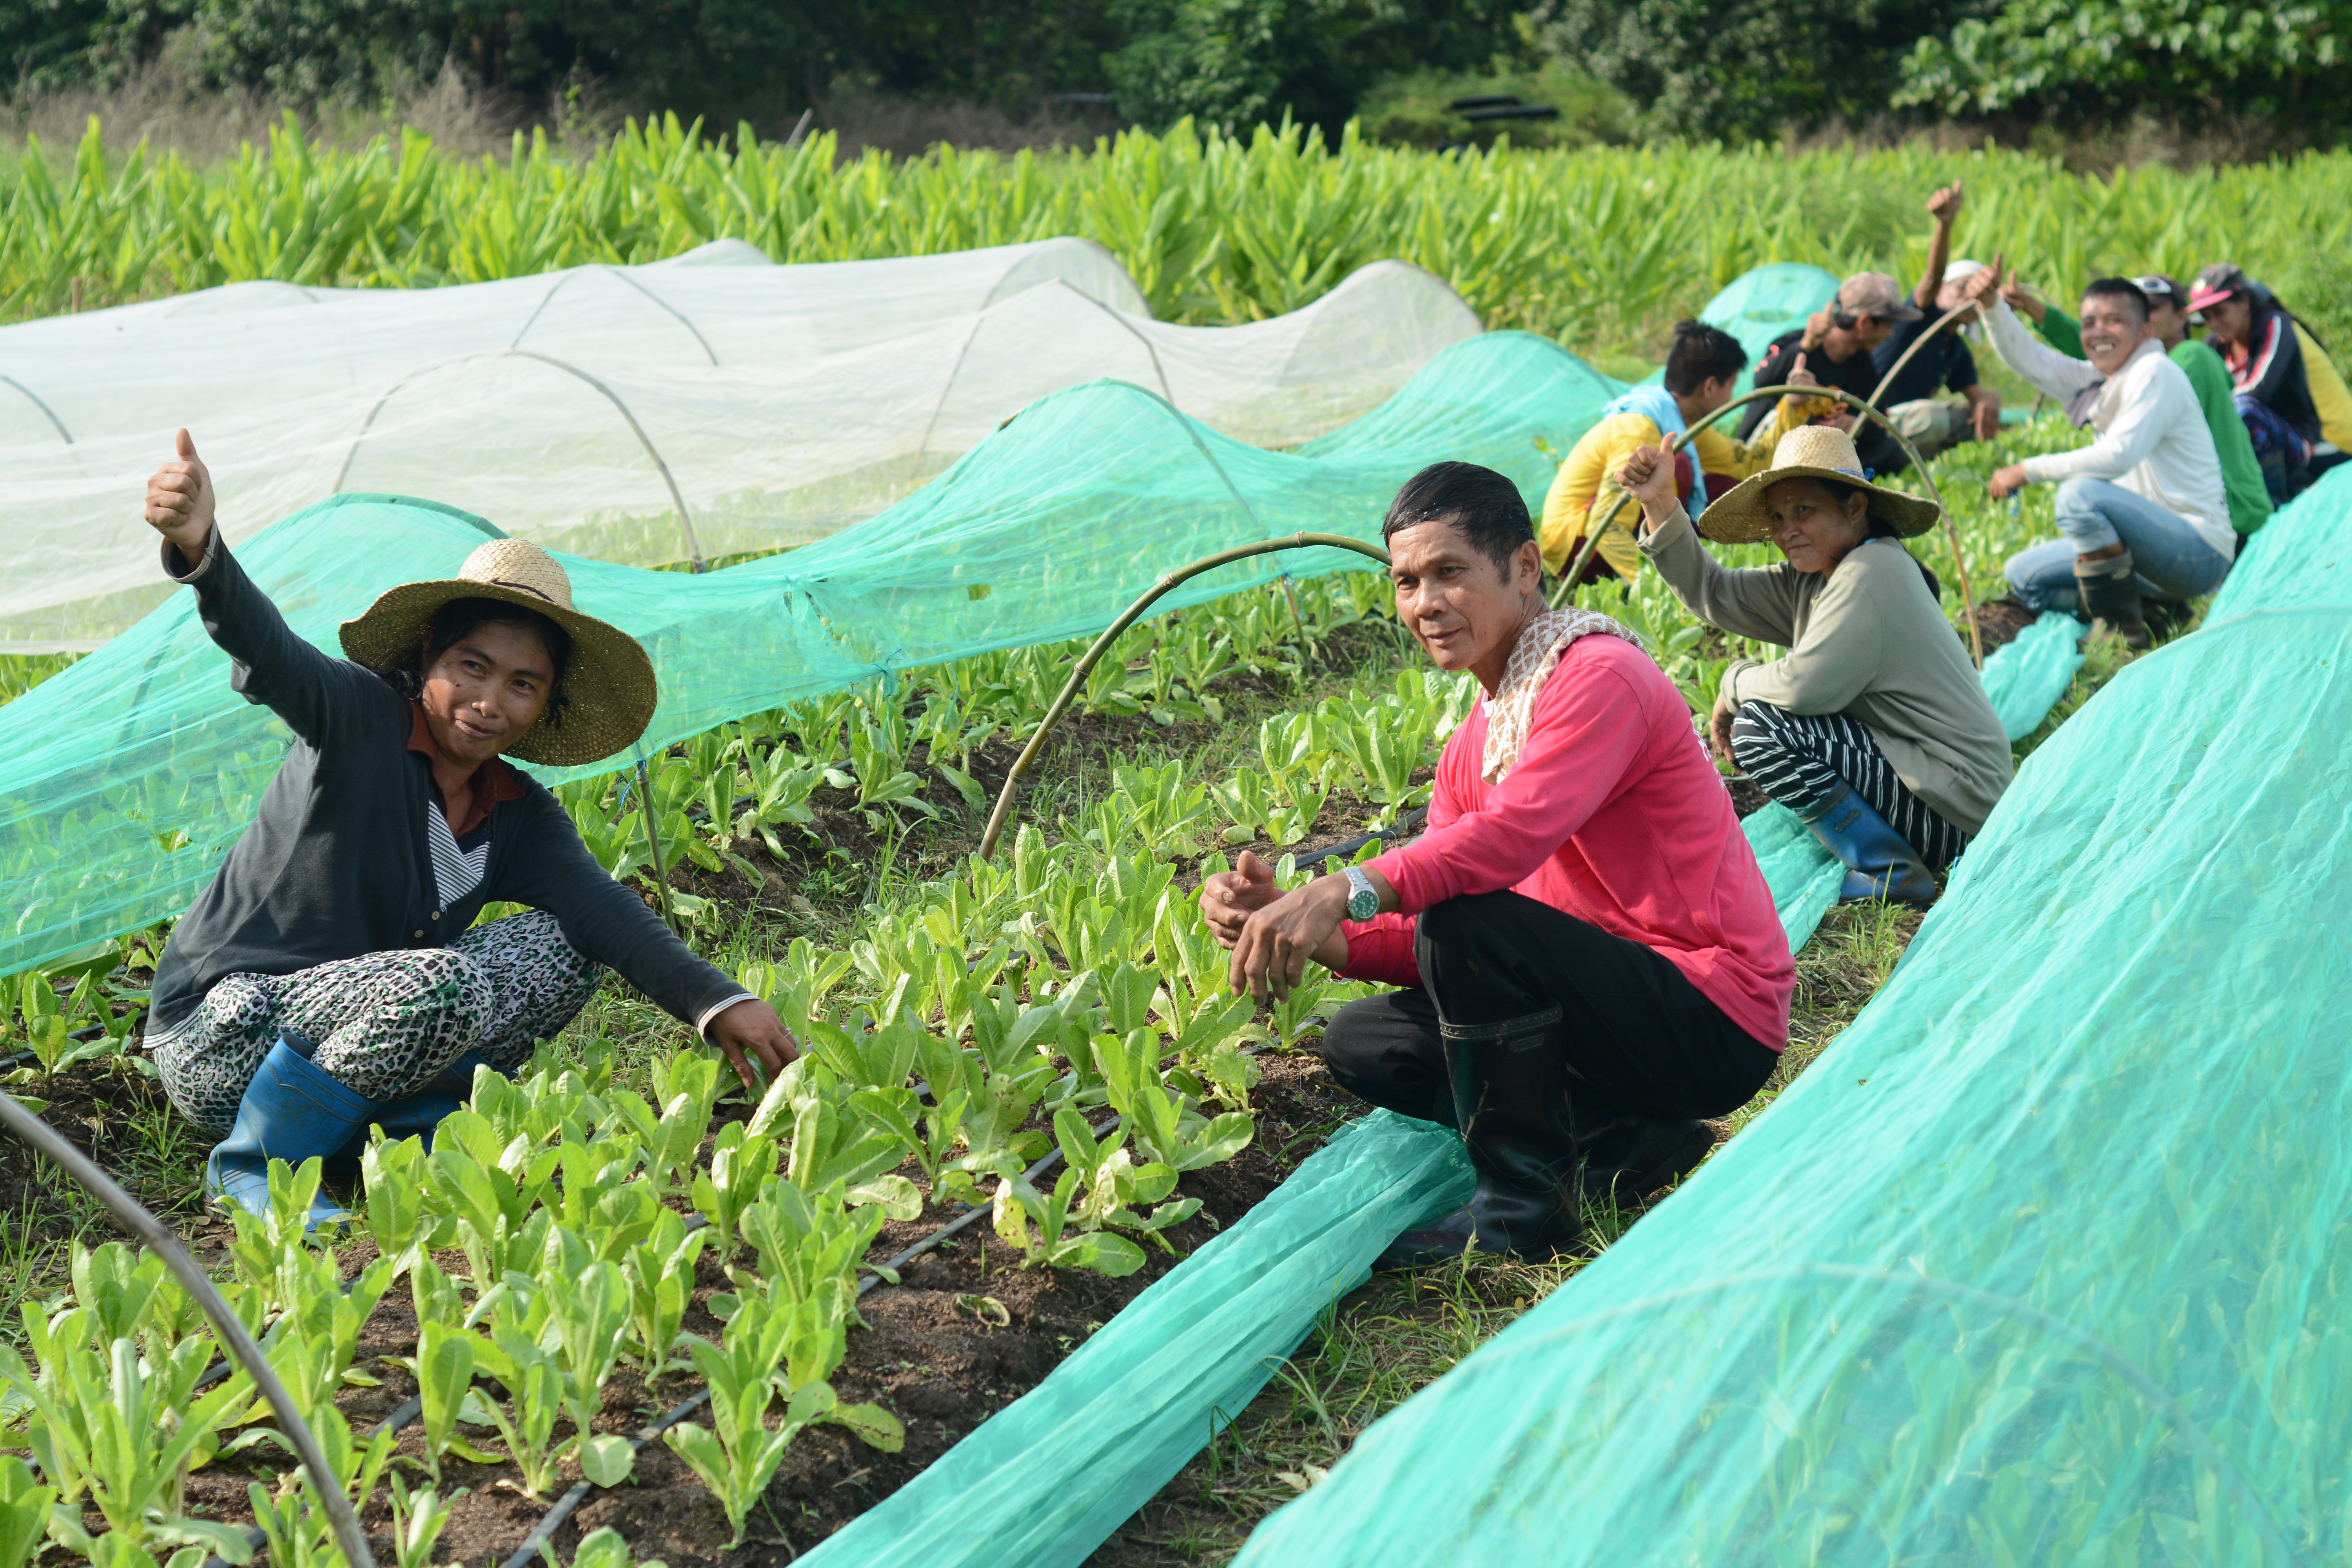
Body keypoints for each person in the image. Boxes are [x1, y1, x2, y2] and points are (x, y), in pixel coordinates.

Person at [140, 430, 798, 1223]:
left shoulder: (513, 808)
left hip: (362, 1019)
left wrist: (718, 1000)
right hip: (222, 1034)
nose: (491, 702)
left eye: (524, 684)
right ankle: (260, 1165)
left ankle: (397, 1130)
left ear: (546, 704)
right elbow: (272, 651)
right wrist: (202, 550)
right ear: (430, 658)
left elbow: (603, 911)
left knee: (564, 948)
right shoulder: (359, 722)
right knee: (439, 981)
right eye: (474, 668)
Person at [1199, 461, 1793, 1266]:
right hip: (1613, 1012)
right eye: (1407, 581)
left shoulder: (1598, 675)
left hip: (1708, 1015)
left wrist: (1346, 886)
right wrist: (1306, 923)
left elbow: (1510, 840)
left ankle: (1523, 1212)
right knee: (1363, 1040)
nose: (1425, 603)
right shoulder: (1474, 741)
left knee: (1469, 914)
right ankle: (1626, 1140)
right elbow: (1427, 945)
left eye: (1450, 572)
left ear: (1523, 567)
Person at [1623, 426, 2009, 906]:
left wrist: (1732, 682)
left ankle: (1890, 869)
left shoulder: (1872, 573)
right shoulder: (1816, 576)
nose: (1787, 530)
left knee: (1760, 728)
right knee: (1768, 715)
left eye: (1804, 510)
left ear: (1854, 507)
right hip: (1933, 787)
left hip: (1963, 814)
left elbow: (1804, 687)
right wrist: (1661, 503)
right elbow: (1715, 592)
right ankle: (1887, 852)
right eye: (1778, 516)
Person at [1968, 265, 2231, 650]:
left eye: (2114, 321)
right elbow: (2033, 362)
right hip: (2142, 549)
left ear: (2145, 331)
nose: (2098, 332)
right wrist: (1991, 305)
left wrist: (2028, 470)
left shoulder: (2156, 372)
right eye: (2090, 322)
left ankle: (2119, 633)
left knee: (2079, 497)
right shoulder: (2100, 379)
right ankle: (2151, 613)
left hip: (2197, 551)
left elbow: (2118, 456)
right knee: (2023, 573)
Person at [1537, 320, 1820, 585]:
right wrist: (1654, 588)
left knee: (1723, 486)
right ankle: (1644, 571)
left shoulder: (1684, 425)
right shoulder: (1637, 428)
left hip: (1611, 531)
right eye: (1731, 385)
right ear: (1709, 387)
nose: (1732, 397)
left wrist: (1794, 406)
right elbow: (1605, 523)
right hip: (1575, 550)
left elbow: (1749, 464)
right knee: (1679, 467)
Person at [2002, 273, 2271, 541]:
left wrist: (2031, 470)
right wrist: (2029, 309)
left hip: (2235, 514)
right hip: (2192, 520)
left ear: (2181, 317)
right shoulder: (2142, 369)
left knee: (2083, 496)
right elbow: (2101, 349)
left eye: (2152, 308)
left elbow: (2107, 359)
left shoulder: (2186, 359)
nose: (2145, 317)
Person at [1863, 184, 2003, 472]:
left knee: (1969, 416)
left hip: (1906, 424)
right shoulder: (1920, 318)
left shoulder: (1955, 348)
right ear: (1942, 292)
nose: (1969, 298)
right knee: (1934, 417)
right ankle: (1892, 460)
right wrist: (1944, 224)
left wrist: (1989, 401)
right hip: (1870, 419)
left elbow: (1977, 399)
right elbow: (1932, 277)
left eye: (1977, 294)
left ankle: (1912, 462)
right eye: (1961, 288)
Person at [2188, 263, 2350, 498]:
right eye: (2206, 316)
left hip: (2327, 442)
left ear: (2244, 302)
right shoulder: (2219, 343)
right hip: (2282, 441)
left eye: (2219, 312)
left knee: (2244, 410)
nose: (2213, 324)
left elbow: (2258, 391)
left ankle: (2266, 500)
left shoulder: (2276, 325)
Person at [1736, 271, 1923, 456]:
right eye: (1888, 326)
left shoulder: (1862, 363)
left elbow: (1880, 421)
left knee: (1892, 452)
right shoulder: (1792, 342)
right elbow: (1761, 381)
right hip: (1774, 452)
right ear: (1864, 323)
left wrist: (1856, 424)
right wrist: (1804, 346)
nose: (1891, 335)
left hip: (1822, 455)